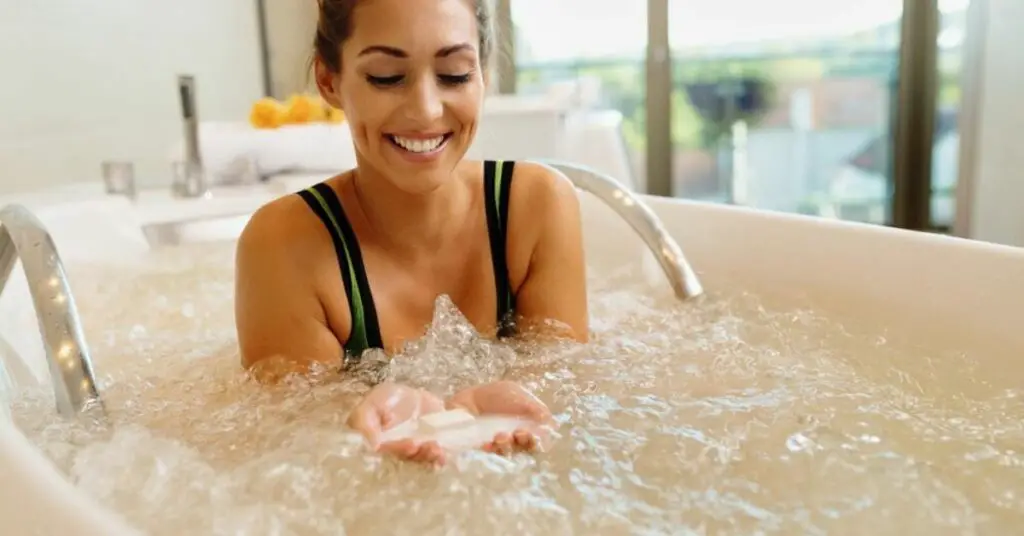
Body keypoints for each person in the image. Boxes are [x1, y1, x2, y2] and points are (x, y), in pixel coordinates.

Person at [234, 0, 588, 466]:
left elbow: (571, 382)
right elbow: (290, 442)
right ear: (329, 80)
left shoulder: (536, 206)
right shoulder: (287, 245)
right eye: (386, 76)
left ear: (482, 75)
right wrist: (349, 418)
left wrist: (528, 394)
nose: (425, 110)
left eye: (455, 74)